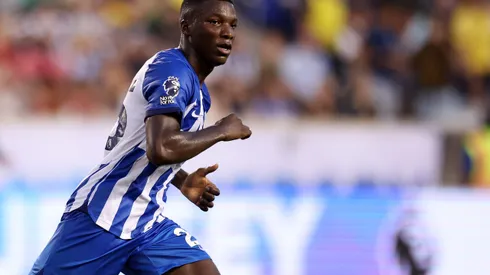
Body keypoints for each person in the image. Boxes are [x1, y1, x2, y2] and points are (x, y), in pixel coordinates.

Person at [29, 1, 251, 274]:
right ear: (186, 27)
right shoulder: (172, 70)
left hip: (146, 222)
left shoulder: (197, 88)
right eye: (215, 22)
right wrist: (221, 130)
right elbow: (160, 148)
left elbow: (139, 145)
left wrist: (178, 179)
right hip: (104, 215)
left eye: (232, 25)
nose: (227, 32)